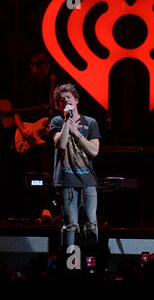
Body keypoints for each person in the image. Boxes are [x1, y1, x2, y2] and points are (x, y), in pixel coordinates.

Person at [49, 83, 101, 248]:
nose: (65, 102)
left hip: (88, 181)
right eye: (62, 100)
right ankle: (70, 262)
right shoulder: (57, 121)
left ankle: (92, 259)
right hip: (67, 180)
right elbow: (61, 145)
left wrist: (77, 133)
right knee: (71, 225)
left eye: (68, 98)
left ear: (76, 100)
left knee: (91, 223)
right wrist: (67, 122)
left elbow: (94, 151)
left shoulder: (90, 122)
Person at [10, 53, 61, 219]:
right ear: (31, 68)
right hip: (26, 134)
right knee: (26, 173)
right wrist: (22, 129)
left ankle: (45, 208)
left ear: (47, 67)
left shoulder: (54, 84)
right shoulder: (24, 85)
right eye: (35, 70)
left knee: (46, 173)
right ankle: (25, 210)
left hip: (45, 137)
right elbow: (15, 111)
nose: (38, 74)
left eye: (41, 70)